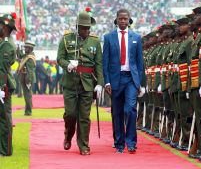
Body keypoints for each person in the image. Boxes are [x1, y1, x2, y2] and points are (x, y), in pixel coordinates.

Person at [57, 11, 103, 155]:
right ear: (77, 27)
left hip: (87, 83)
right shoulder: (66, 39)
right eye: (83, 28)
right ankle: (68, 134)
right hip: (70, 82)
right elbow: (60, 58)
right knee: (71, 114)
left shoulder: (95, 41)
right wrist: (67, 65)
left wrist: (100, 83)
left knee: (84, 116)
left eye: (88, 28)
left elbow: (99, 64)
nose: (86, 30)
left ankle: (83, 145)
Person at [103, 9, 143, 154]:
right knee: (117, 112)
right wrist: (106, 82)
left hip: (131, 79)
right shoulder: (108, 37)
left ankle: (131, 142)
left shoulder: (136, 37)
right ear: (116, 19)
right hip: (115, 79)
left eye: (125, 19)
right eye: (120, 19)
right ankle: (119, 143)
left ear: (129, 20)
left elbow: (140, 63)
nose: (123, 21)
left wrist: (140, 83)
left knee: (130, 109)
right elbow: (105, 62)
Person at [0, 13, 17, 156]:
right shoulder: (3, 42)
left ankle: (5, 150)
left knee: (4, 119)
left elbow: (2, 69)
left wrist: (0, 87)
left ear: (5, 27)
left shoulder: (7, 45)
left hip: (3, 86)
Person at [17, 41, 36, 116]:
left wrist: (28, 80)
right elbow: (20, 56)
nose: (25, 49)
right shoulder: (27, 55)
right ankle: (28, 110)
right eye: (25, 47)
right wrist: (18, 48)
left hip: (27, 78)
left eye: (26, 48)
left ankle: (28, 111)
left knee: (27, 95)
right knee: (26, 95)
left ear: (30, 48)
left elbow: (30, 71)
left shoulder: (30, 57)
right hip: (24, 77)